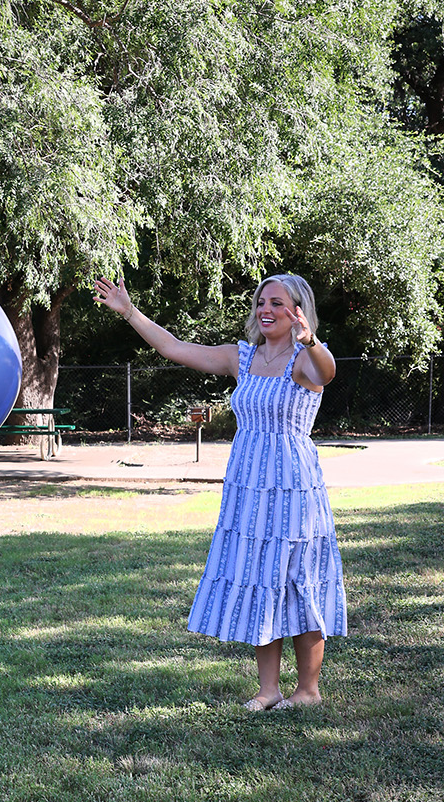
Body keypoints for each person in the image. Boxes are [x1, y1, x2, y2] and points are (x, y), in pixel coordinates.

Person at [94, 272, 346, 710]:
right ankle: (268, 690)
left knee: (298, 580)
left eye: (277, 303)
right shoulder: (241, 357)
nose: (265, 310)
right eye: (261, 302)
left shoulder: (305, 359)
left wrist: (310, 341)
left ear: (298, 311)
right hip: (248, 485)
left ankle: (308, 691)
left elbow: (327, 374)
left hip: (293, 487)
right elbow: (175, 348)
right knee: (257, 578)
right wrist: (130, 311)